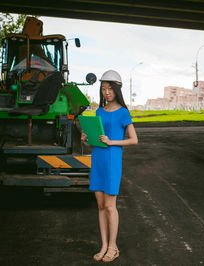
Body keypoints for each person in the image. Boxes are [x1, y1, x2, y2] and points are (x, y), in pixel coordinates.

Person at [81, 69, 138, 262]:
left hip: (113, 160)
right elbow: (97, 138)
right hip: (98, 159)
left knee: (110, 205)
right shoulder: (98, 111)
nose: (107, 92)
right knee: (100, 205)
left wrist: (112, 141)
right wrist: (87, 137)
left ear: (117, 90)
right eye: (104, 89)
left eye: (110, 89)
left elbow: (134, 140)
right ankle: (104, 244)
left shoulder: (123, 112)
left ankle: (113, 246)